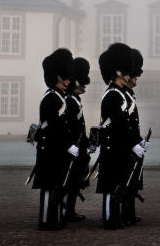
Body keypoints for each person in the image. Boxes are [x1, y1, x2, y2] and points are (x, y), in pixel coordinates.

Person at [95, 42, 148, 229]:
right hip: (114, 147)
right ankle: (111, 218)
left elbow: (130, 125)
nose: (129, 75)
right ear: (118, 72)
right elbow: (118, 125)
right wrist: (133, 143)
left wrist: (138, 142)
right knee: (112, 186)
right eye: (126, 71)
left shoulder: (123, 94)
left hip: (123, 146)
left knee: (124, 182)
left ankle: (124, 215)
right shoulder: (112, 95)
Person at [33, 47, 76, 231]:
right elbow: (54, 128)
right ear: (57, 76)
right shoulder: (52, 99)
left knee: (58, 184)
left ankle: (55, 217)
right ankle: (46, 220)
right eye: (65, 76)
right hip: (51, 148)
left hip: (58, 148)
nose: (68, 80)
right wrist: (67, 144)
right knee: (50, 187)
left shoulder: (60, 97)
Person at [62, 56, 91, 222]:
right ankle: (66, 210)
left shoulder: (74, 100)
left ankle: (70, 210)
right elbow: (66, 127)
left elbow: (80, 127)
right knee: (69, 181)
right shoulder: (69, 101)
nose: (84, 84)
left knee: (74, 182)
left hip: (78, 146)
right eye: (81, 81)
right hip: (70, 148)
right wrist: (70, 145)